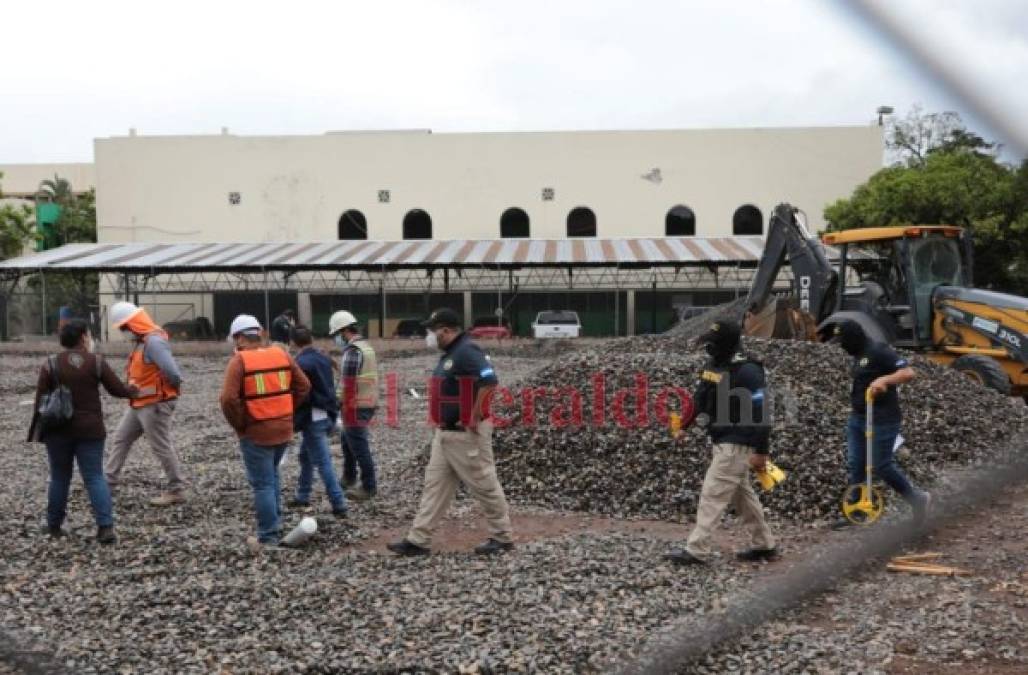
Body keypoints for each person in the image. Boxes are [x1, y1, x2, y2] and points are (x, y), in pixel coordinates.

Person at [388, 308, 514, 556]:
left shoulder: (467, 351)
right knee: (434, 488)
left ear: (446, 330)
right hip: (445, 435)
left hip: (465, 436)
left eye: (433, 331)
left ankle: (502, 536)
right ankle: (418, 540)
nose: (431, 336)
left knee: (484, 484)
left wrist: (476, 414)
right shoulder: (451, 353)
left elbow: (489, 381)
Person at [665, 320, 777, 565]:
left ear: (726, 343)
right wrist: (683, 425)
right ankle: (764, 545)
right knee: (743, 497)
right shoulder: (713, 365)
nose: (709, 347)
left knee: (712, 494)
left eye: (713, 343)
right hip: (722, 439)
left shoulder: (748, 371)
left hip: (738, 443)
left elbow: (762, 411)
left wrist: (762, 451)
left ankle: (697, 550)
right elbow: (700, 397)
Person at [29, 319, 137, 544]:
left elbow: (40, 402)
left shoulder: (51, 364)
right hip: (90, 430)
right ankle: (105, 527)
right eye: (87, 334)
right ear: (82, 337)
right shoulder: (96, 362)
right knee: (95, 477)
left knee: (60, 477)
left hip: (58, 431)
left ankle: (54, 525)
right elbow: (117, 390)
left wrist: (39, 432)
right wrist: (132, 391)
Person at [220, 314, 310, 546]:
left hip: (256, 432)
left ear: (239, 338)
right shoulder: (281, 354)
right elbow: (304, 386)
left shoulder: (239, 361)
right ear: (259, 333)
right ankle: (276, 521)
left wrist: (241, 423)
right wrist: (285, 409)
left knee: (262, 483)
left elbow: (228, 399)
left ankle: (268, 535)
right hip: (282, 428)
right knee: (272, 476)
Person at [832, 321, 931, 529]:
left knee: (881, 465)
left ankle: (917, 499)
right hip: (859, 418)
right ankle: (856, 511)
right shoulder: (858, 354)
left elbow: (908, 373)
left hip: (883, 419)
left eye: (843, 341)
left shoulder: (878, 351)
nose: (841, 346)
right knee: (857, 464)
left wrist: (884, 380)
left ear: (854, 338)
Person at [104, 301, 188, 506]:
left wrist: (167, 397)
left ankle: (176, 489)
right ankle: (107, 484)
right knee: (121, 439)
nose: (124, 332)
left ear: (133, 324)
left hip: (155, 404)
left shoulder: (153, 342)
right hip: (140, 403)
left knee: (161, 446)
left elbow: (173, 373)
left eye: (124, 328)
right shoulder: (142, 341)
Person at [288, 325, 348, 518]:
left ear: (293, 343)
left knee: (323, 462)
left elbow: (301, 392)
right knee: (306, 456)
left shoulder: (300, 363)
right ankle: (302, 494)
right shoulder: (323, 357)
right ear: (311, 338)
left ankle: (339, 503)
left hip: (312, 417)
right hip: (326, 413)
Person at [329, 310, 379, 501]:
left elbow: (348, 384)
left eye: (336, 335)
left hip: (356, 405)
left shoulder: (353, 350)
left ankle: (368, 486)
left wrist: (336, 404)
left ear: (343, 331)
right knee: (346, 440)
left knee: (358, 446)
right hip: (367, 401)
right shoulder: (365, 347)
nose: (336, 339)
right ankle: (349, 476)